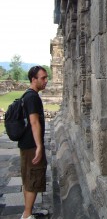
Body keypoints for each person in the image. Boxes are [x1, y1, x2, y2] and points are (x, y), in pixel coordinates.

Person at [19, 66, 48, 219]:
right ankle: (27, 215)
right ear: (33, 79)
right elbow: (34, 122)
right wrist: (39, 146)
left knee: (29, 178)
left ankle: (27, 211)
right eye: (42, 78)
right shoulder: (32, 97)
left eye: (46, 77)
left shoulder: (28, 95)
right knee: (33, 178)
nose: (46, 81)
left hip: (26, 144)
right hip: (31, 145)